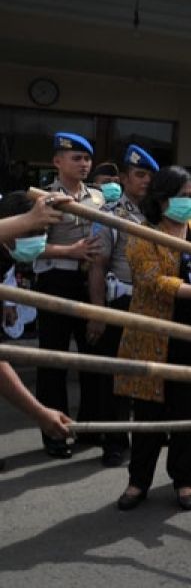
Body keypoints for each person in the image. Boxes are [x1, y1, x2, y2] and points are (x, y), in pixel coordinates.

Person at [114, 166, 191, 511]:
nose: (189, 202)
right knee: (149, 418)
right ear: (161, 198)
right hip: (154, 339)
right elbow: (151, 279)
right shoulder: (144, 234)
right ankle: (138, 481)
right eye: (181, 196)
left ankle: (184, 479)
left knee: (187, 414)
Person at [85, 144, 161, 467]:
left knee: (145, 374)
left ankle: (144, 436)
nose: (145, 181)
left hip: (151, 303)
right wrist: (98, 311)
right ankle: (114, 442)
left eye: (150, 176)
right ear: (126, 178)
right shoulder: (110, 215)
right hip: (120, 301)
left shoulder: (157, 215)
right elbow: (97, 266)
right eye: (140, 175)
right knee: (113, 378)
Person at [31, 132, 104, 459]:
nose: (84, 164)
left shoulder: (99, 198)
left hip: (90, 282)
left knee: (91, 358)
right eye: (76, 158)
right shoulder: (43, 198)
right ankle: (54, 432)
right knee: (54, 361)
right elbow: (30, 248)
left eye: (87, 158)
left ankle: (89, 427)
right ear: (57, 161)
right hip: (55, 281)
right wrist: (70, 251)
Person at [0, 192, 74, 455]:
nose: (40, 239)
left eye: (44, 232)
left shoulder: (6, 256)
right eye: (35, 230)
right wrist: (39, 412)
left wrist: (40, 413)